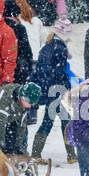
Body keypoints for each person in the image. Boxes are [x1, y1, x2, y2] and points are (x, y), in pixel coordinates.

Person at [30, 23, 76, 161]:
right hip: (57, 90)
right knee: (54, 121)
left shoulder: (47, 47)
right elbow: (60, 73)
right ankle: (37, 155)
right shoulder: (60, 49)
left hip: (48, 88)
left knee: (61, 120)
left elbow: (39, 71)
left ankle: (69, 154)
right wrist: (66, 88)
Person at [0, 82, 42, 154]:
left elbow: (21, 125)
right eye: (28, 102)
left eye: (32, 104)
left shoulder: (23, 104)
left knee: (11, 140)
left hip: (5, 115)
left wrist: (18, 146)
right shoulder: (6, 97)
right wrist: (0, 145)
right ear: (22, 96)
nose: (29, 106)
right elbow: (0, 121)